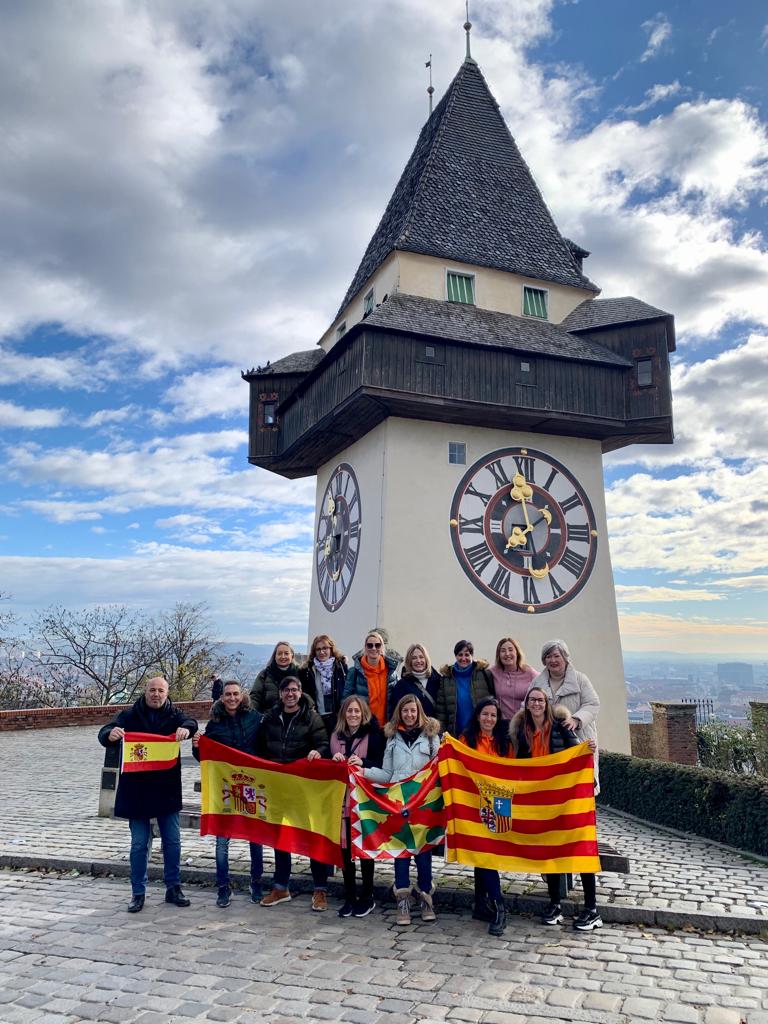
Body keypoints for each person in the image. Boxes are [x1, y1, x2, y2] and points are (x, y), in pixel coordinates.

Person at [97, 676, 197, 913]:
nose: (156, 694)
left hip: (165, 789)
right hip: (137, 790)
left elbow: (191, 722)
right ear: (145, 691)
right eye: (152, 690)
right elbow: (105, 731)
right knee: (139, 845)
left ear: (167, 693)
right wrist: (110, 734)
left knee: (172, 842)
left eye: (161, 690)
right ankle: (138, 892)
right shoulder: (130, 715)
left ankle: (173, 887)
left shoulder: (174, 715)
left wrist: (186, 729)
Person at [510, 687, 601, 932]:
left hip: (567, 799)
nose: (536, 704)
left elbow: (576, 752)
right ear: (527, 704)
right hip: (542, 801)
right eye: (532, 700)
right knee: (549, 850)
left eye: (540, 700)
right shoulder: (522, 732)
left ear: (547, 703)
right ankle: (555, 903)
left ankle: (591, 908)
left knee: (579, 849)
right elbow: (520, 764)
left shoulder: (561, 726)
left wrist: (587, 750)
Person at [255, 676, 331, 910]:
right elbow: (259, 749)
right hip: (278, 786)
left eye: (294, 690)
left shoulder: (311, 717)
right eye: (286, 690)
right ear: (280, 693)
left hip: (304, 788)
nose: (290, 694)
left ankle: (320, 889)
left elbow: (324, 744)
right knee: (281, 837)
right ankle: (281, 887)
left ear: (300, 692)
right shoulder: (270, 718)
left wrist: (318, 752)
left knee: (312, 836)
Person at [364, 694, 441, 926]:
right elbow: (387, 774)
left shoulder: (431, 737)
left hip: (424, 804)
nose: (409, 715)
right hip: (399, 805)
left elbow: (438, 769)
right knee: (401, 853)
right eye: (405, 710)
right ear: (400, 712)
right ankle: (403, 899)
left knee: (423, 852)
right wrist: (363, 771)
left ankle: (426, 896)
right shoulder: (392, 738)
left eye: (413, 711)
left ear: (419, 712)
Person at [192, 680, 263, 908]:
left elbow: (264, 745)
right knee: (222, 840)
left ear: (242, 696)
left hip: (250, 785)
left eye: (235, 694)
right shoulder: (215, 724)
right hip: (225, 788)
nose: (232, 698)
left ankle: (256, 882)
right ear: (222, 698)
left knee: (255, 837)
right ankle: (223, 886)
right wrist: (197, 746)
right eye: (228, 695)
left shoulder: (254, 718)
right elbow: (205, 757)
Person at [459, 697, 512, 937]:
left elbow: (511, 771)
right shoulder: (467, 739)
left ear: (498, 719)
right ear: (478, 716)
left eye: (493, 715)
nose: (489, 719)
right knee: (482, 852)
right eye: (485, 714)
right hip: (474, 802)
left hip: (499, 803)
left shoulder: (504, 742)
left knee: (488, 854)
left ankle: (489, 904)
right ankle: (493, 906)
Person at [330, 695, 386, 918]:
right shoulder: (335, 736)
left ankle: (368, 895)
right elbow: (327, 762)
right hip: (341, 802)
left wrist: (363, 763)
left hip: (364, 802)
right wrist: (331, 757)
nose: (353, 715)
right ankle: (350, 896)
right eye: (349, 711)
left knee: (364, 849)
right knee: (345, 850)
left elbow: (381, 765)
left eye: (357, 711)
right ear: (343, 714)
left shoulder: (374, 736)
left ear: (363, 714)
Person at [534, 639, 601, 794]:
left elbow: (593, 704)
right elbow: (528, 705)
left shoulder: (580, 680)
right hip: (549, 744)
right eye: (548, 656)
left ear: (565, 657)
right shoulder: (537, 682)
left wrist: (576, 719)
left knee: (580, 789)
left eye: (556, 656)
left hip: (578, 740)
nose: (553, 660)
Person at [436, 640, 493, 739]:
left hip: (481, 734)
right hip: (455, 734)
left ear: (472, 655)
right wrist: (442, 734)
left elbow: (494, 702)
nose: (463, 658)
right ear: (455, 656)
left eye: (467, 655)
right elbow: (441, 712)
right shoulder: (446, 678)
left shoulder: (484, 674)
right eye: (460, 655)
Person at [343, 630, 399, 728]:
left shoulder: (391, 673)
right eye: (370, 645)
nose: (373, 648)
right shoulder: (354, 672)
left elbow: (398, 701)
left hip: (386, 728)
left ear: (382, 647)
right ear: (365, 647)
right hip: (363, 727)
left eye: (377, 645)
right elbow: (345, 701)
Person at [300, 634, 348, 733]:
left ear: (331, 649)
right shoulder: (307, 670)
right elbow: (304, 694)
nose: (321, 652)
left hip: (338, 718)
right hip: (317, 718)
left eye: (325, 648)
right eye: (318, 649)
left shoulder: (340, 667)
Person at [388, 642, 441, 718]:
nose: (418, 661)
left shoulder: (438, 681)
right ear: (409, 661)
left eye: (421, 657)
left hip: (434, 725)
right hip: (411, 725)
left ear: (426, 659)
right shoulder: (401, 686)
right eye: (414, 658)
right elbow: (397, 713)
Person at [490, 637, 538, 719]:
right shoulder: (493, 672)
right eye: (503, 651)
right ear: (499, 655)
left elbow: (545, 681)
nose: (507, 653)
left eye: (510, 650)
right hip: (501, 723)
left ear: (517, 653)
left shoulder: (529, 672)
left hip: (523, 722)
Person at [250, 641, 303, 713]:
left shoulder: (300, 673)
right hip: (268, 717)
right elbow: (255, 698)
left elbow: (307, 696)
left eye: (286, 653)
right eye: (279, 653)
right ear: (275, 656)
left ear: (292, 655)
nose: (283, 656)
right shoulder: (265, 674)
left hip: (295, 717)